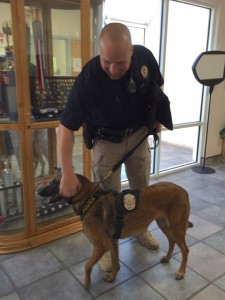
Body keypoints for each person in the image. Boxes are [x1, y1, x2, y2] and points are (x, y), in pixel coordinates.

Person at [57, 23, 172, 271]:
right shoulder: (89, 78)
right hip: (106, 141)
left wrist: (157, 115)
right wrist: (67, 172)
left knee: (141, 191)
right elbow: (65, 128)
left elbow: (157, 86)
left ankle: (140, 229)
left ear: (131, 50)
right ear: (100, 51)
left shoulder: (145, 57)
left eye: (121, 62)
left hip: (139, 134)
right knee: (106, 203)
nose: (113, 69)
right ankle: (107, 246)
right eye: (107, 61)